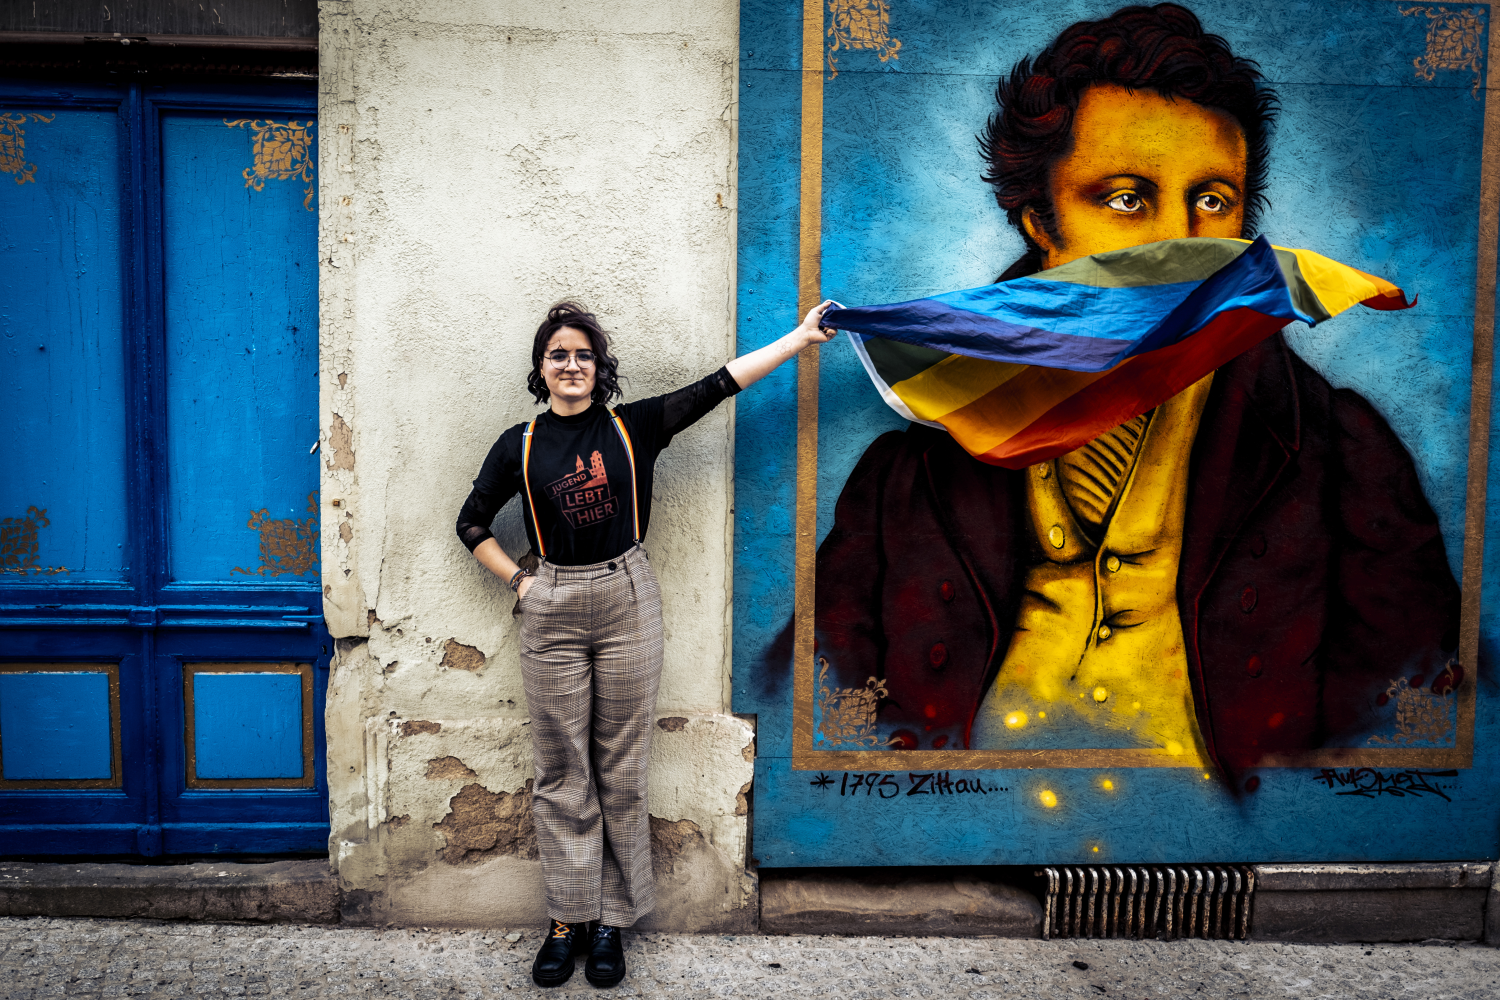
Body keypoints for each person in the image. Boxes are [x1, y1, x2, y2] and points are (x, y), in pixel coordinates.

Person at [786, 4, 1460, 785]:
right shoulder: (912, 472)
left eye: (1212, 199)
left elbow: (1406, 699)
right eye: (1128, 197)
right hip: (973, 812)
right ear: (1041, 219)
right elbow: (821, 691)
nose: (1186, 238)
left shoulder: (1340, 453)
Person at [457, 301, 834, 988]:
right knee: (562, 773)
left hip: (628, 599)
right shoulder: (519, 443)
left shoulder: (634, 427)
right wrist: (521, 582)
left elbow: (721, 382)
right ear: (541, 371)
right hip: (553, 606)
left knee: (622, 772)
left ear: (600, 370)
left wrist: (800, 338)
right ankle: (567, 919)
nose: (571, 365)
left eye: (582, 355)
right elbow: (472, 522)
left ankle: (613, 923)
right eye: (557, 355)